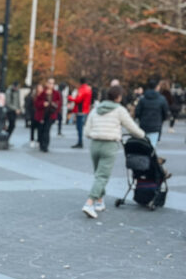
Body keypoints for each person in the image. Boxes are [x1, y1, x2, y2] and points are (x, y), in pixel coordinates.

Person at [82, 84, 146, 218]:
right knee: (103, 176)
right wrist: (142, 135)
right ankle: (89, 203)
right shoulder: (119, 110)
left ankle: (99, 202)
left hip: (94, 144)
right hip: (109, 145)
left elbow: (87, 131)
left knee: (98, 174)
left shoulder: (96, 109)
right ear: (118, 97)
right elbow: (132, 127)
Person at [134, 77, 170, 147]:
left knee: (144, 145)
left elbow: (137, 112)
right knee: (152, 146)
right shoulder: (161, 99)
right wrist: (162, 120)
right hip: (156, 125)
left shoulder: (143, 99)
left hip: (144, 125)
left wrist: (140, 119)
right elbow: (165, 112)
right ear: (157, 87)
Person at [33, 77, 61, 152]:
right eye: (50, 83)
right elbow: (36, 103)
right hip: (42, 114)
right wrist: (43, 104)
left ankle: (45, 146)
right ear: (47, 84)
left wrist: (54, 105)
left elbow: (59, 104)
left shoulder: (56, 93)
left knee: (47, 130)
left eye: (53, 83)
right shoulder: (43, 93)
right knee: (41, 130)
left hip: (51, 115)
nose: (51, 85)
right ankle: (41, 144)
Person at [69, 77, 93, 148]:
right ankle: (80, 141)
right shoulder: (88, 89)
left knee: (79, 127)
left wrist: (70, 98)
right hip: (85, 109)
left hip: (80, 110)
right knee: (81, 126)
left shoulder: (82, 89)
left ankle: (80, 142)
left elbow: (78, 100)